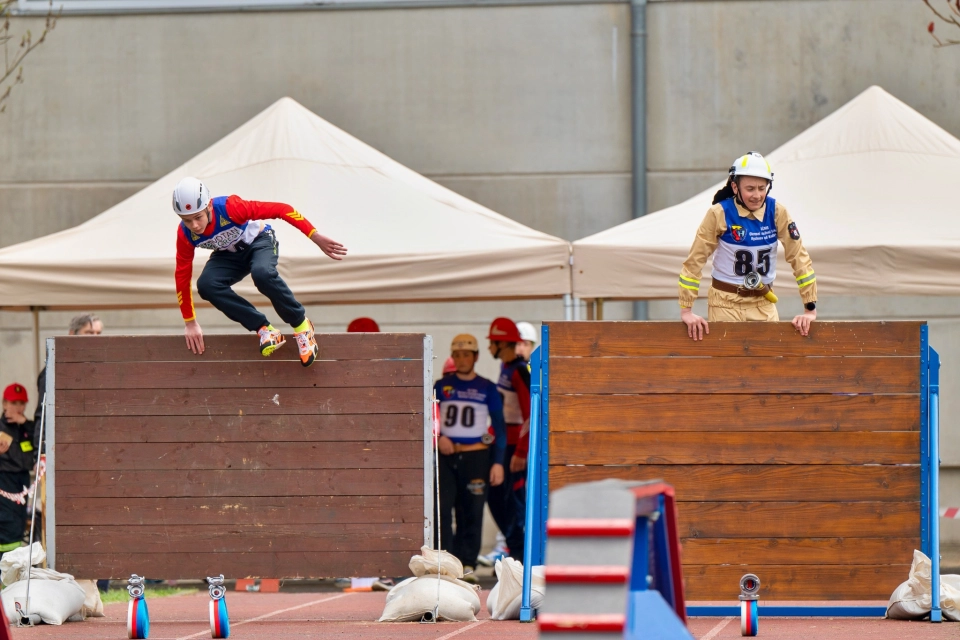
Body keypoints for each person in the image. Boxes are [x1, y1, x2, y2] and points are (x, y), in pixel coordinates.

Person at [172, 177, 348, 366]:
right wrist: (190, 322)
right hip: (228, 255)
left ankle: (302, 326)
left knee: (262, 273)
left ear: (209, 206)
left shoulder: (231, 208)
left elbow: (282, 209)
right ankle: (265, 329)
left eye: (198, 217)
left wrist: (314, 234)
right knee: (206, 285)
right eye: (187, 220)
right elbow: (182, 274)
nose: (195, 226)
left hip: (259, 241)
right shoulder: (185, 234)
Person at [678, 152, 818, 341]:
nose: (757, 195)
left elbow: (799, 258)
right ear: (735, 187)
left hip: (764, 301)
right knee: (729, 367)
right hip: (725, 304)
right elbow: (695, 261)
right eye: (750, 188)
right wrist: (687, 310)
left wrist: (809, 309)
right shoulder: (718, 213)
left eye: (762, 187)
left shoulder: (777, 212)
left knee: (770, 365)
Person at [434, 334, 506, 583]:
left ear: (476, 357)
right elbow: (429, 419)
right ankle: (447, 562)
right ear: (452, 357)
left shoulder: (487, 387)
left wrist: (497, 462)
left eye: (467, 354)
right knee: (443, 509)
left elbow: (500, 426)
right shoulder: (440, 385)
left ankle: (467, 563)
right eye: (457, 354)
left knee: (472, 511)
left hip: (477, 457)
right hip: (445, 456)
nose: (462, 359)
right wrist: (439, 436)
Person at [485, 317, 530, 563]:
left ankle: (519, 556)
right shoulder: (506, 369)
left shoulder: (520, 370)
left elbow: (531, 414)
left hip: (514, 449)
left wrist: (521, 452)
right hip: (501, 445)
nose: (489, 347)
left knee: (513, 503)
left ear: (502, 344)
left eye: (492, 342)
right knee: (495, 498)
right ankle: (514, 552)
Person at [34, 313, 103, 426]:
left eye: (98, 333)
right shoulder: (56, 368)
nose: (95, 337)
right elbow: (44, 414)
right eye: (89, 332)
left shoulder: (102, 366)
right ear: (72, 334)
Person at [0, 384, 36, 553]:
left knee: (20, 524)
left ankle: (11, 571)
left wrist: (25, 423)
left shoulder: (26, 428)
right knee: (8, 526)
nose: (18, 407)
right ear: (4, 403)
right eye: (14, 403)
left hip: (22, 480)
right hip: (4, 480)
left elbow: (41, 436)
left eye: (22, 403)